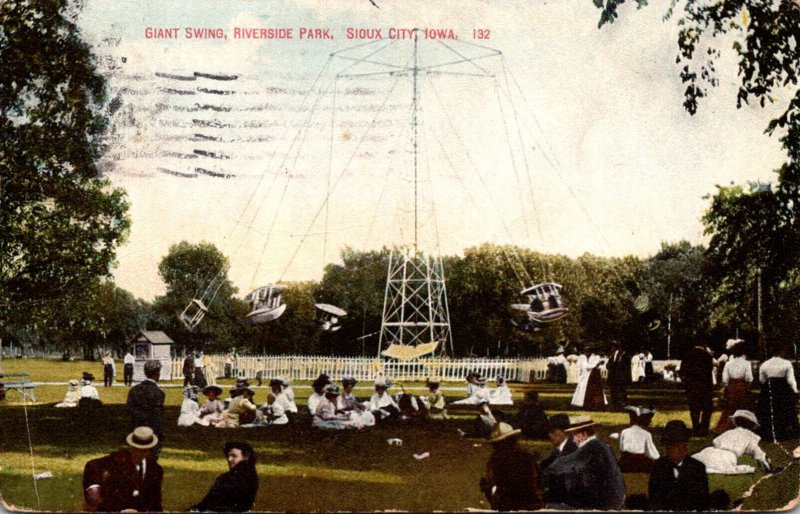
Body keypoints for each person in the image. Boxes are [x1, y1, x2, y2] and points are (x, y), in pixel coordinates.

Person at [541, 415, 625, 510]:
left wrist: (544, 473)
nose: (573, 439)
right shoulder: (600, 446)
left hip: (603, 504)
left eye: (575, 435)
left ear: (584, 434)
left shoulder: (592, 447)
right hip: (607, 500)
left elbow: (563, 464)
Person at [83, 426, 163, 512]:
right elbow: (92, 465)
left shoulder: (156, 469)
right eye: (136, 449)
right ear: (131, 447)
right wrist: (94, 487)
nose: (139, 453)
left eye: (144, 450)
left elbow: (155, 502)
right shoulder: (117, 459)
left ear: (149, 449)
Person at [479, 422, 545, 511]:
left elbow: (491, 483)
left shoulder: (495, 459)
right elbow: (539, 481)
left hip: (506, 506)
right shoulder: (527, 456)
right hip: (532, 505)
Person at [648, 420, 710, 511]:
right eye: (673, 445)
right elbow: (654, 498)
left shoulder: (697, 468)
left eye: (683, 444)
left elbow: (703, 501)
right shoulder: (659, 467)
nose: (682, 448)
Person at [693, 410, 775, 474]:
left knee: (696, 463)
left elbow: (714, 442)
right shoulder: (750, 437)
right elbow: (759, 454)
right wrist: (769, 468)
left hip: (711, 452)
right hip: (727, 457)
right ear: (751, 425)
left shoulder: (729, 432)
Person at [190, 441, 259, 512]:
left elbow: (210, 503)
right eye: (228, 456)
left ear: (246, 457)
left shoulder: (230, 478)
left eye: (234, 456)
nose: (229, 459)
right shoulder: (251, 475)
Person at [756, 343, 800, 441]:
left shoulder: (765, 364)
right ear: (782, 351)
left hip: (769, 389)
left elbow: (761, 380)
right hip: (782, 389)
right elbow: (790, 379)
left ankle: (769, 431)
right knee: (783, 409)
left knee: (769, 410)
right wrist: (795, 390)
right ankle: (784, 431)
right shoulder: (786, 363)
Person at [713, 339, 753, 433]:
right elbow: (749, 378)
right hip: (742, 386)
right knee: (743, 406)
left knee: (730, 408)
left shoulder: (728, 364)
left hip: (731, 387)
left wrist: (727, 386)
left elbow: (725, 379)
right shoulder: (746, 363)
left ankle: (727, 425)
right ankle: (743, 426)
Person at [126, 359, 165, 456]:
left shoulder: (134, 390)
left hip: (136, 428)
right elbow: (157, 416)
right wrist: (159, 434)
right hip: (151, 430)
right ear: (157, 373)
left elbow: (129, 409)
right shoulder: (159, 393)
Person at [680, 340, 714, 436]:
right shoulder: (707, 356)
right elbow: (709, 373)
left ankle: (695, 428)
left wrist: (686, 383)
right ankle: (704, 429)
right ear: (704, 344)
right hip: (705, 387)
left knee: (694, 409)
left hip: (692, 387)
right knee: (707, 409)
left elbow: (682, 372)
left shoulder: (687, 355)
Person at [617, 406, 659, 473]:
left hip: (626, 463)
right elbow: (652, 453)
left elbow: (622, 449)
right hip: (641, 462)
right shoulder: (646, 434)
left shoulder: (624, 432)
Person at [606, 341, 631, 410]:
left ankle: (623, 405)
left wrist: (626, 378)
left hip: (621, 378)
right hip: (614, 378)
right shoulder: (614, 356)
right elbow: (609, 366)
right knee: (613, 392)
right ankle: (615, 406)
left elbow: (627, 369)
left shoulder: (626, 357)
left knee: (622, 392)